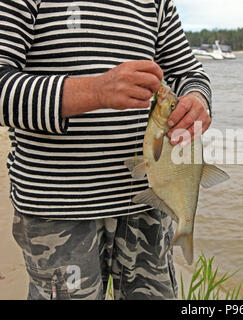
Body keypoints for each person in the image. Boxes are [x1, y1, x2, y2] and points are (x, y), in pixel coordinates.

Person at [0, 0, 212, 300]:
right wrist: (94, 92)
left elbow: (189, 73)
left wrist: (197, 100)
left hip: (147, 205)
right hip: (58, 211)